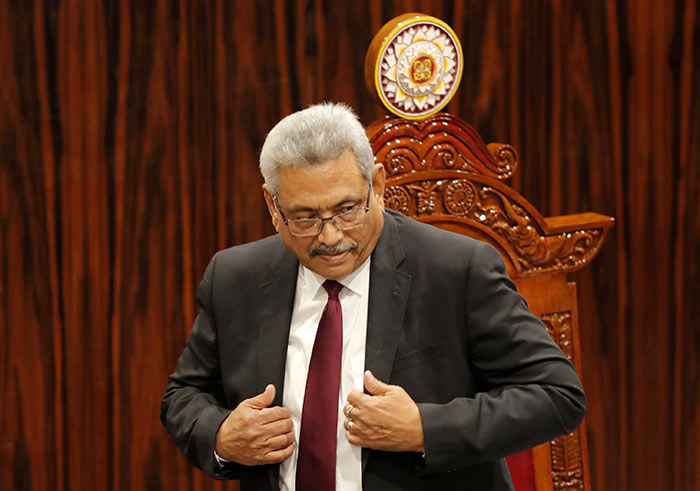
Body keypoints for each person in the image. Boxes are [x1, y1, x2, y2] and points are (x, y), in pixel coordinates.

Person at [161, 102, 586, 490]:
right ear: (273, 206)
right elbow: (183, 396)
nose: (331, 237)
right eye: (305, 217)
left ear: (377, 185)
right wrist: (221, 437)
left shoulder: (457, 270)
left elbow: (557, 394)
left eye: (348, 209)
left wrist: (424, 427)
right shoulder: (236, 278)